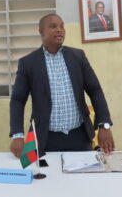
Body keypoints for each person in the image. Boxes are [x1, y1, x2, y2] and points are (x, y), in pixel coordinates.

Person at [9, 13, 114, 158]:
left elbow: (95, 90)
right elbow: (18, 100)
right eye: (53, 26)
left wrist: (104, 125)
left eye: (62, 26)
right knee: (47, 178)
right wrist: (17, 135)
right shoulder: (28, 63)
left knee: (83, 177)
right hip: (45, 138)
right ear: (41, 31)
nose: (59, 30)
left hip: (80, 136)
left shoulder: (78, 57)